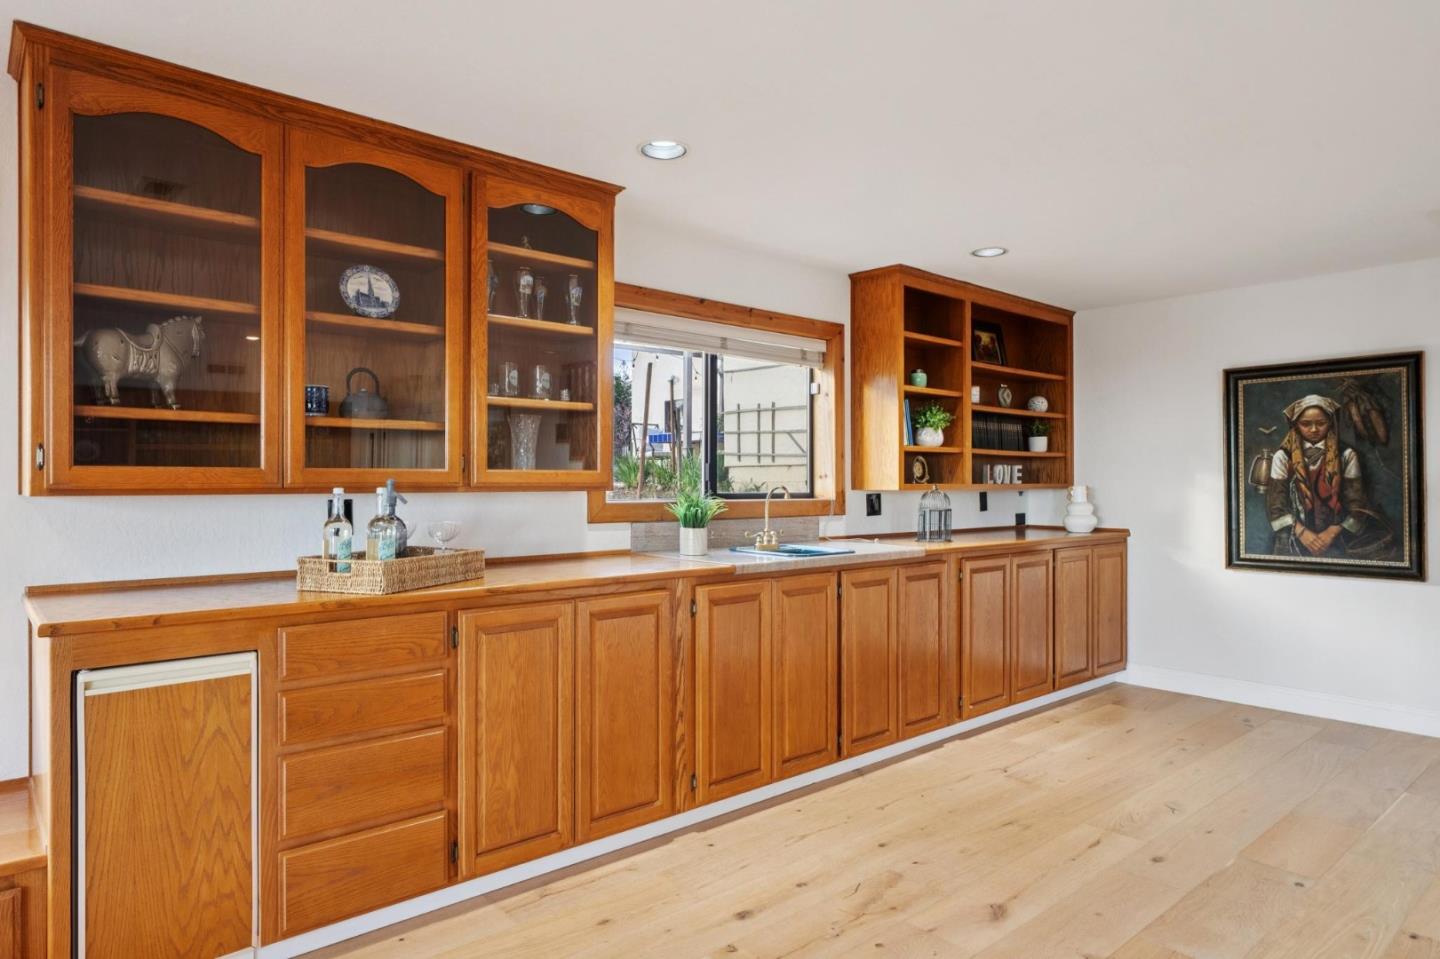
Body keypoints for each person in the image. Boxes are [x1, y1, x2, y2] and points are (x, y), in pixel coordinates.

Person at [1265, 394, 1394, 559]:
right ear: (1296, 425)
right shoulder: (1282, 457)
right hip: (1292, 538)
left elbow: (1357, 504)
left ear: (1331, 423)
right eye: (1306, 424)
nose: (1313, 430)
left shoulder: (1346, 455)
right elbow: (1276, 506)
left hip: (1338, 539)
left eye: (1321, 423)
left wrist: (1331, 533)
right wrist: (1302, 533)